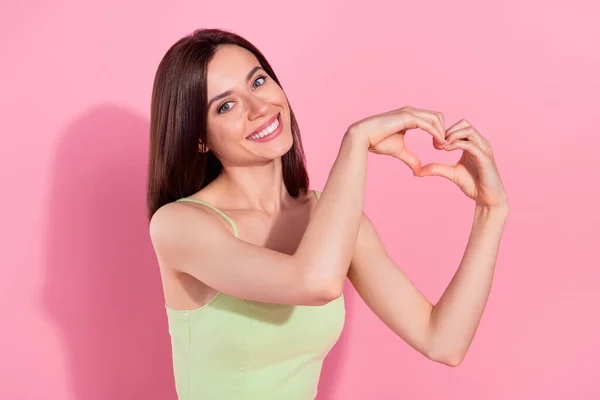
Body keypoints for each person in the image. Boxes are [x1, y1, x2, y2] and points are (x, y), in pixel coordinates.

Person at [147, 28, 509, 399]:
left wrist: (491, 211)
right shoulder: (179, 225)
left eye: (258, 82)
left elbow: (443, 340)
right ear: (199, 138)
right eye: (226, 105)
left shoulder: (330, 221)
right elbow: (315, 283)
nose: (259, 109)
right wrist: (356, 141)